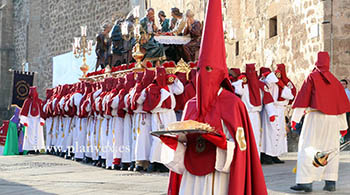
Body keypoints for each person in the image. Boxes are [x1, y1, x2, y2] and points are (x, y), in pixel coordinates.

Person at [160, 0, 267, 194]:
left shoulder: (232, 104)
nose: (203, 76)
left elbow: (241, 148)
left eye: (209, 70)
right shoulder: (191, 106)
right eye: (200, 70)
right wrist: (172, 143)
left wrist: (221, 142)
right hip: (192, 178)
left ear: (219, 74)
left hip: (219, 178)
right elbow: (185, 147)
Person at [290, 52, 350, 192]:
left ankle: (305, 182)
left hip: (315, 118)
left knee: (308, 147)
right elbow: (339, 105)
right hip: (332, 120)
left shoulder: (312, 77)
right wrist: (343, 126)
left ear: (316, 62)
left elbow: (303, 98)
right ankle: (330, 182)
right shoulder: (335, 81)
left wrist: (295, 119)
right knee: (330, 148)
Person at [259, 67, 295, 164]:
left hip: (279, 109)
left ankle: (275, 154)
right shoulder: (268, 82)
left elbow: (290, 95)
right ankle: (266, 154)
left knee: (279, 133)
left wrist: (281, 84)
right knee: (269, 133)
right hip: (270, 108)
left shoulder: (281, 83)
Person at [20, 87, 45, 152]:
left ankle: (37, 148)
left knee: (38, 134)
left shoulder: (39, 101)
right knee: (30, 135)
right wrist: (24, 121)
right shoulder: (27, 101)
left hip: (37, 120)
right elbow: (24, 111)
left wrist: (42, 120)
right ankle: (30, 149)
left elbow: (42, 111)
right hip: (29, 120)